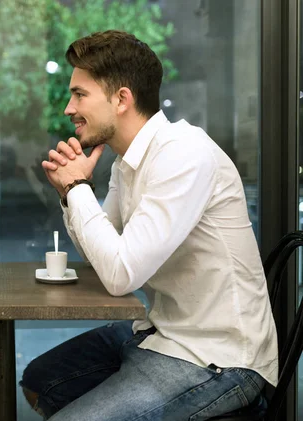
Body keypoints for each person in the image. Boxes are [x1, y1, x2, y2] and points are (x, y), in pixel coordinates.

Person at [20, 30, 278, 420]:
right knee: (41, 380)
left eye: (80, 95)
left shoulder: (183, 154)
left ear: (122, 98)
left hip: (217, 357)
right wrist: (72, 194)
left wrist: (76, 187)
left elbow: (121, 274)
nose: (69, 108)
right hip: (158, 333)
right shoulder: (129, 162)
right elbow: (101, 254)